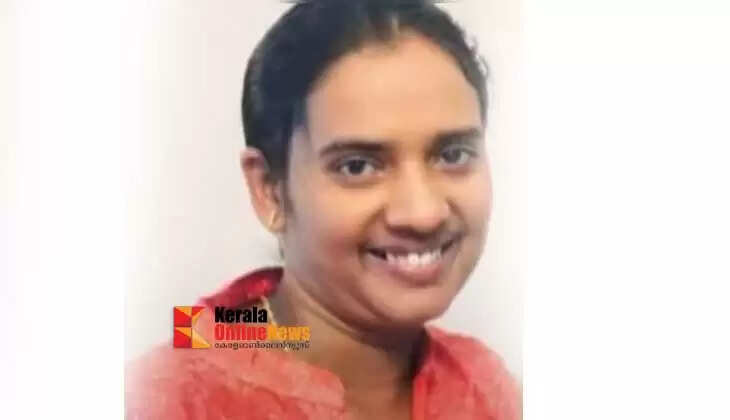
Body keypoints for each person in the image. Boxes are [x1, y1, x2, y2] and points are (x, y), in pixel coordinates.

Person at [125, 0, 521, 419]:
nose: (423, 213)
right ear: (270, 191)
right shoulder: (166, 399)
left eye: (453, 155)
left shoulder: (482, 384)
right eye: (358, 166)